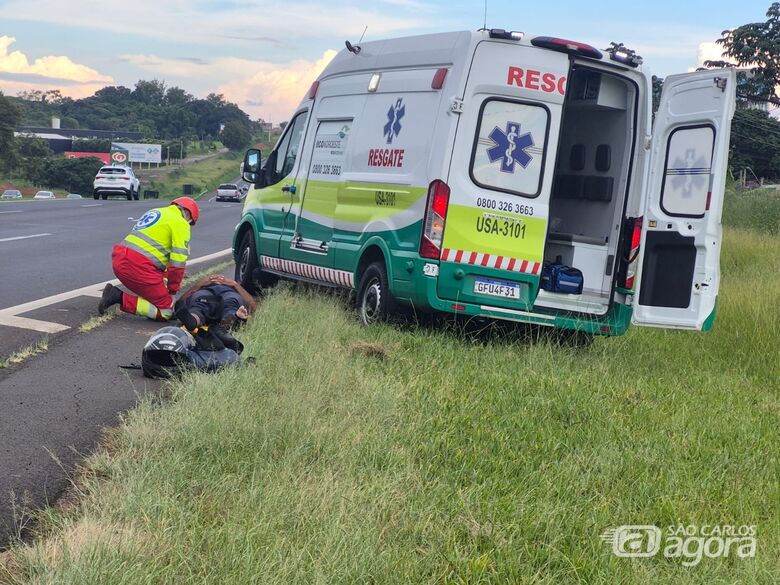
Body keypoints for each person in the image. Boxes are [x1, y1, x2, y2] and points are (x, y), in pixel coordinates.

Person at [98, 197, 200, 320]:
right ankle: (117, 297)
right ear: (188, 214)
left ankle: (149, 298)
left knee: (160, 288)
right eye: (190, 222)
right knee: (167, 312)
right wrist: (172, 292)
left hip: (119, 259)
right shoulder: (181, 223)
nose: (189, 224)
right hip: (139, 267)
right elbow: (177, 263)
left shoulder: (156, 211)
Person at [173, 274, 257, 330]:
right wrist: (199, 285)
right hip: (206, 294)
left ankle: (231, 320)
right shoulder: (203, 287)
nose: (218, 279)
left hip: (228, 294)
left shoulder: (232, 287)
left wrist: (234, 284)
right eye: (213, 278)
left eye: (221, 278)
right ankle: (192, 320)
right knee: (199, 303)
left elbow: (253, 306)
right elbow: (180, 302)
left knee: (231, 303)